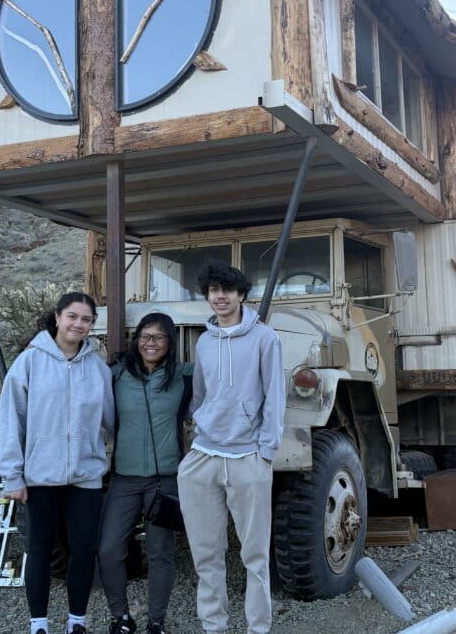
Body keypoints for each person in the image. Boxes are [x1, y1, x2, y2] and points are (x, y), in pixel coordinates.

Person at [177, 260, 285, 634]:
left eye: (226, 290)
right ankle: (214, 626)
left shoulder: (265, 338)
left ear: (241, 294)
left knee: (255, 556)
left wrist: (266, 451)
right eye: (212, 291)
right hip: (204, 456)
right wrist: (199, 426)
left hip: (248, 458)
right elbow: (201, 394)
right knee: (206, 556)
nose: (219, 297)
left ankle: (258, 627)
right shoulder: (204, 341)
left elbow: (275, 396)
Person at [0, 291, 114, 634]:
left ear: (92, 325)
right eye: (73, 316)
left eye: (86, 319)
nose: (78, 324)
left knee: (83, 549)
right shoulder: (30, 362)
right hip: (40, 476)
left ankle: (77, 620)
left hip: (85, 477)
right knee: (40, 549)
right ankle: (39, 624)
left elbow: (111, 418)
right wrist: (12, 476)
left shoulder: (96, 367)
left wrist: (109, 453)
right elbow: (10, 421)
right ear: (58, 317)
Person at [98, 313, 194, 634]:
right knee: (109, 549)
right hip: (124, 479)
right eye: (144, 336)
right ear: (136, 340)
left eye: (158, 337)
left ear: (170, 343)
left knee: (160, 553)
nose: (150, 343)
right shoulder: (116, 375)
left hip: (164, 480)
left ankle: (156, 622)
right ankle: (121, 618)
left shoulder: (184, 377)